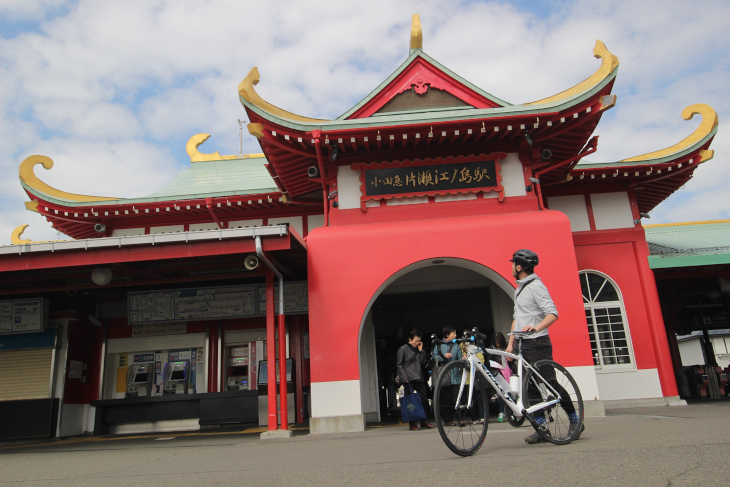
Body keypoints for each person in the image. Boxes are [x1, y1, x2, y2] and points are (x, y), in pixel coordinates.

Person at [505, 249, 584, 444]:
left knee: (550, 383)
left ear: (519, 266)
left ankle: (575, 421)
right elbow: (517, 317)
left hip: (538, 342)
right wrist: (510, 344)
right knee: (529, 387)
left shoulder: (536, 286)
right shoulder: (519, 288)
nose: (511, 267)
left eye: (513, 263)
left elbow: (552, 313)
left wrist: (536, 327)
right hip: (522, 344)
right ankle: (541, 427)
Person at [396, 329, 434, 431]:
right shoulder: (403, 349)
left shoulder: (419, 349)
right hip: (408, 378)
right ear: (410, 339)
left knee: (424, 399)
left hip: (419, 377)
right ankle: (412, 423)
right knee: (410, 402)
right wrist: (404, 378)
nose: (417, 343)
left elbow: (423, 362)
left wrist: (421, 351)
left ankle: (424, 420)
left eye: (419, 341)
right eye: (415, 341)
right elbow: (399, 365)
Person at [432, 325, 463, 425]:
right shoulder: (439, 345)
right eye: (453, 333)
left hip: (456, 375)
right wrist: (443, 357)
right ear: (447, 334)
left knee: (457, 398)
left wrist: (463, 359)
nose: (455, 335)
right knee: (446, 400)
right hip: (445, 375)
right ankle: (448, 420)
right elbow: (434, 358)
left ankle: (460, 418)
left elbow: (459, 357)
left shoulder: (456, 345)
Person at [491, 331, 509, 423]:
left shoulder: (507, 346)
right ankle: (502, 412)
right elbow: (489, 362)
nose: (497, 345)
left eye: (499, 343)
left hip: (509, 372)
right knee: (500, 393)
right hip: (498, 373)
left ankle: (512, 411)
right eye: (496, 343)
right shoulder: (491, 349)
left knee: (512, 393)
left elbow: (512, 359)